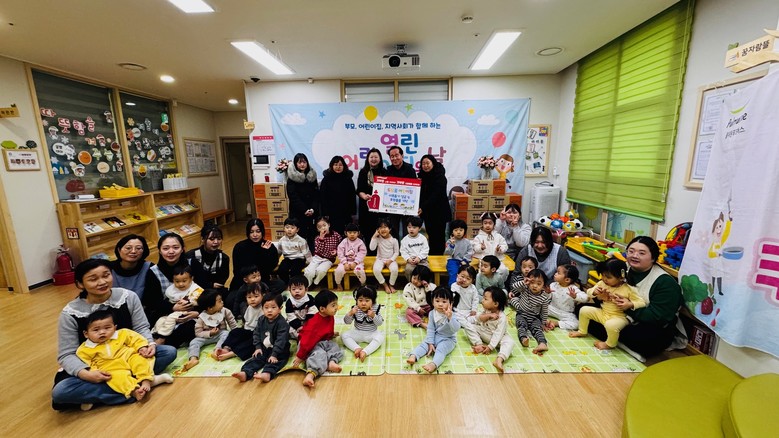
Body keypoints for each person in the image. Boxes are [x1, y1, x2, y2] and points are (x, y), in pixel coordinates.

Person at [52, 259, 177, 411]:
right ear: (80, 284)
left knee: (168, 352)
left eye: (106, 275)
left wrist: (147, 344)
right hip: (98, 365)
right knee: (60, 392)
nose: (102, 282)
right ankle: (143, 383)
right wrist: (86, 374)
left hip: (129, 356)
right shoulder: (70, 313)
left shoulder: (128, 297)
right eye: (93, 279)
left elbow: (141, 327)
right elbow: (67, 354)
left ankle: (105, 393)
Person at [582, 236, 685, 359]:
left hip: (649, 325)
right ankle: (617, 341)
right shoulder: (621, 268)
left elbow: (659, 318)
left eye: (641, 253)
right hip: (615, 315)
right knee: (581, 309)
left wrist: (629, 306)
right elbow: (602, 291)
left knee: (643, 339)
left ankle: (616, 340)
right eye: (631, 251)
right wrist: (600, 297)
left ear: (653, 257)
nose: (634, 256)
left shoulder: (665, 283)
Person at [76, 310, 172, 402]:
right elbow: (88, 363)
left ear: (114, 328)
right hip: (111, 369)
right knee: (117, 379)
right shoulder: (84, 349)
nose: (102, 332)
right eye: (96, 330)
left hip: (129, 357)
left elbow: (136, 339)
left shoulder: (123, 333)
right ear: (86, 334)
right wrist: (95, 371)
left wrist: (141, 347)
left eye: (107, 328)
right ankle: (134, 391)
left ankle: (146, 380)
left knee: (141, 360)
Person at [571, 259, 646, 350]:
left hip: (619, 317)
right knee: (584, 310)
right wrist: (594, 292)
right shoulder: (602, 283)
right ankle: (582, 331)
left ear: (621, 277)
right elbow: (589, 293)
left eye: (608, 277)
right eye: (603, 275)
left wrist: (630, 304)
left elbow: (642, 303)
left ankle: (610, 344)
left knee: (610, 325)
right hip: (603, 313)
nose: (604, 279)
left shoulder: (629, 289)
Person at [145, 233, 197, 348]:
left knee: (192, 327)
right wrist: (173, 307)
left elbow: (205, 290)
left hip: (192, 310)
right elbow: (151, 300)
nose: (171, 251)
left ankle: (162, 342)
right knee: (153, 323)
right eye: (166, 248)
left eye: (176, 247)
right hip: (166, 312)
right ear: (159, 250)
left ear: (183, 249)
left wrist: (196, 312)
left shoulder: (192, 264)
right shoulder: (153, 271)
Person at [232, 293, 291, 383]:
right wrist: (258, 347)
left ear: (280, 309)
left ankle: (267, 374)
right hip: (264, 348)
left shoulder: (282, 323)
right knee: (256, 359)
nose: (269, 310)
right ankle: (245, 373)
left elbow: (281, 340)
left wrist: (274, 354)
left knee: (275, 362)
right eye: (266, 308)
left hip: (280, 350)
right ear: (262, 308)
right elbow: (256, 333)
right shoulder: (261, 320)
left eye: (273, 307)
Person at [292, 290, 343, 388]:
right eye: (333, 305)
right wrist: (300, 356)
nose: (336, 307)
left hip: (321, 341)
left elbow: (327, 328)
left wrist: (331, 334)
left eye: (336, 304)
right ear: (322, 309)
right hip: (307, 345)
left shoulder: (329, 316)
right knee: (320, 354)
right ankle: (310, 375)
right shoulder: (314, 324)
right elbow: (306, 341)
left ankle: (331, 363)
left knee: (335, 346)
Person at [180, 289, 238, 372]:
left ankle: (217, 350)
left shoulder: (225, 311)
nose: (222, 302)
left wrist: (236, 334)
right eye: (219, 301)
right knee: (194, 342)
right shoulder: (202, 317)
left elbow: (233, 324)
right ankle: (193, 358)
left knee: (226, 333)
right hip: (206, 337)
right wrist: (210, 333)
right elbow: (198, 332)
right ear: (210, 308)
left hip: (220, 333)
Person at [406, 286, 460, 373]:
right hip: (435, 336)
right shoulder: (432, 313)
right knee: (424, 344)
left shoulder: (452, 315)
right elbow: (431, 329)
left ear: (451, 303)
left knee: (441, 350)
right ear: (432, 301)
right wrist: (430, 342)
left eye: (444, 302)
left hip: (448, 339)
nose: (440, 304)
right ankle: (414, 356)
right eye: (437, 301)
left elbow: (456, 328)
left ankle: (434, 364)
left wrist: (450, 318)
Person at [463, 286, 514, 372]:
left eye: (485, 299)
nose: (482, 301)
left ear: (496, 304)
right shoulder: (486, 310)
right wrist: (488, 315)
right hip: (484, 332)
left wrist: (490, 347)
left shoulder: (502, 318)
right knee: (468, 326)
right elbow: (478, 318)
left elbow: (498, 334)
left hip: (498, 339)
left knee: (510, 342)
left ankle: (499, 359)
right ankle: (479, 344)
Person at [231, 218, 285, 295]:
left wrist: (265, 253)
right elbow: (237, 270)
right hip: (245, 282)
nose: (255, 235)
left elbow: (271, 267)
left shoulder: (269, 246)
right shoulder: (239, 247)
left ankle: (259, 295)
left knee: (280, 284)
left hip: (262, 281)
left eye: (258, 231)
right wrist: (249, 279)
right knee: (230, 298)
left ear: (262, 232)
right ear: (248, 233)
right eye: (251, 232)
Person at [213, 283, 264, 361]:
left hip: (258, 333)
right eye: (249, 297)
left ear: (263, 296)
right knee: (235, 332)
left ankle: (233, 353)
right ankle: (226, 348)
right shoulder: (249, 307)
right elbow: (246, 321)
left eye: (256, 296)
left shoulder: (264, 307)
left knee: (253, 343)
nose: (252, 299)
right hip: (248, 330)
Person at [111, 235, 158, 318]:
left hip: (141, 313)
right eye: (128, 248)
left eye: (138, 248)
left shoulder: (149, 268)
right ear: (119, 250)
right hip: (111, 314)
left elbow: (152, 300)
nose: (133, 251)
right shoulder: (108, 268)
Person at [152, 264, 203, 338]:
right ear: (173, 280)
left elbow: (196, 301)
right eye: (177, 281)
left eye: (184, 281)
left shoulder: (195, 289)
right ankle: (154, 333)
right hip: (173, 311)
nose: (181, 284)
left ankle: (162, 335)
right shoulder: (172, 289)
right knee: (161, 319)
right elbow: (168, 301)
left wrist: (188, 302)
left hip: (188, 312)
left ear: (191, 279)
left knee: (171, 318)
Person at [509, 269, 551, 354]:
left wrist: (543, 323)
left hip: (534, 317)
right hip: (522, 314)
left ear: (543, 286)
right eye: (532, 282)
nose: (535, 286)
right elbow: (514, 286)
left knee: (537, 329)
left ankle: (542, 343)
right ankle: (524, 339)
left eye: (539, 284)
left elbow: (544, 311)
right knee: (521, 326)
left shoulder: (544, 298)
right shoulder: (525, 288)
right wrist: (524, 282)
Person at [417, 154, 452, 255]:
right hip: (428, 213)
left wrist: (423, 207)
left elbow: (435, 195)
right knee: (431, 235)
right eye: (423, 164)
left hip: (439, 212)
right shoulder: (421, 177)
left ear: (433, 163)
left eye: (427, 163)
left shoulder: (440, 177)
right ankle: (432, 256)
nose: (425, 166)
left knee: (439, 236)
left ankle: (438, 257)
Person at [342, 286, 385, 362]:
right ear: (356, 300)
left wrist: (373, 316)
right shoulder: (355, 309)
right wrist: (350, 313)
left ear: (373, 302)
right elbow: (347, 322)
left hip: (372, 333)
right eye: (360, 300)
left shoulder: (375, 309)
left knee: (381, 337)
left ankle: (365, 351)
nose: (363, 303)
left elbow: (380, 323)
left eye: (367, 300)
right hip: (357, 332)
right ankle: (356, 348)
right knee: (344, 335)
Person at [285, 153, 320, 244]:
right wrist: (304, 210)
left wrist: (313, 209)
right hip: (298, 212)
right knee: (299, 237)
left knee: (312, 235)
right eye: (299, 162)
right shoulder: (291, 178)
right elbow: (293, 196)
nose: (302, 164)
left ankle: (312, 251)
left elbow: (316, 194)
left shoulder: (312, 176)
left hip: (312, 212)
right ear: (295, 164)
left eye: (304, 162)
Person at [356, 148, 385, 253]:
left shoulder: (384, 172)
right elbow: (359, 190)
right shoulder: (363, 172)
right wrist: (364, 196)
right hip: (366, 209)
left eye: (376, 157)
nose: (373, 159)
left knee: (381, 233)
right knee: (368, 234)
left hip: (381, 210)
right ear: (368, 159)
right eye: (371, 157)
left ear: (380, 159)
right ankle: (370, 256)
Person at [385, 146, 418, 238]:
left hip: (407, 206)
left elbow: (414, 190)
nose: (394, 158)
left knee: (407, 232)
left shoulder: (410, 170)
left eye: (397, 155)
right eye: (392, 156)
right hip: (392, 206)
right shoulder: (388, 170)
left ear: (402, 155)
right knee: (393, 232)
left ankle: (405, 247)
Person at [185, 225, 230, 292]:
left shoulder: (224, 258)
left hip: (214, 291)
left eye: (219, 238)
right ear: (202, 239)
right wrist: (210, 285)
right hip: (192, 290)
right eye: (211, 239)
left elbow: (220, 282)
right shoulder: (190, 256)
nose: (216, 242)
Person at [319, 155, 356, 236]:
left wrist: (353, 212)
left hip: (346, 212)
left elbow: (352, 196)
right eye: (335, 165)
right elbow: (323, 197)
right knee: (333, 234)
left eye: (340, 165)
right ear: (331, 166)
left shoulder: (348, 179)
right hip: (331, 213)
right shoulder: (326, 179)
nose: (338, 167)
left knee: (345, 233)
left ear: (344, 166)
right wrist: (325, 213)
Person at [304, 216, 342, 289]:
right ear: (317, 229)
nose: (323, 228)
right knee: (309, 271)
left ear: (329, 225)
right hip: (317, 257)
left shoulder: (336, 235)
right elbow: (318, 250)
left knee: (321, 270)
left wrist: (336, 251)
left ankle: (315, 282)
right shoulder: (317, 238)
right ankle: (308, 285)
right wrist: (321, 238)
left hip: (329, 259)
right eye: (320, 227)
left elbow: (341, 246)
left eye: (324, 225)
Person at [547, 264, 587, 331]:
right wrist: (547, 293)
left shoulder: (573, 289)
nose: (555, 274)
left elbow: (586, 298)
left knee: (576, 324)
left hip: (565, 313)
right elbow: (547, 298)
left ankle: (556, 323)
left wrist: (575, 296)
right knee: (536, 307)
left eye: (558, 273)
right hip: (551, 309)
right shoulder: (553, 285)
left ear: (567, 280)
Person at [275, 217, 311, 284]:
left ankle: (295, 284)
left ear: (297, 230)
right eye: (287, 227)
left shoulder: (301, 240)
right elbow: (279, 252)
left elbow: (307, 253)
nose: (289, 230)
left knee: (294, 271)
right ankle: (287, 284)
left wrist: (310, 263)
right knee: (282, 270)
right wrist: (275, 262)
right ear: (284, 228)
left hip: (299, 259)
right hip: (287, 259)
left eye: (292, 228)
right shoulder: (282, 240)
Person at [334, 223, 367, 290]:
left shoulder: (360, 242)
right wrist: (345, 263)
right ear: (345, 233)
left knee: (360, 271)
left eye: (354, 232)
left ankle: (363, 283)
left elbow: (362, 253)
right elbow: (340, 253)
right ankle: (338, 284)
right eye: (350, 232)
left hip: (357, 262)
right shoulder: (344, 242)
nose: (352, 234)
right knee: (338, 271)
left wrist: (355, 262)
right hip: (345, 262)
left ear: (358, 233)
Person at [370, 217, 400, 294]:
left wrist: (391, 260)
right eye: (380, 227)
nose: (383, 229)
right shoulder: (377, 238)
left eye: (385, 227)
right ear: (378, 230)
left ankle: (391, 285)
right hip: (380, 259)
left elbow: (396, 253)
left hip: (391, 259)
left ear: (390, 229)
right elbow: (372, 248)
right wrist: (374, 236)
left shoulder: (394, 240)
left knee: (394, 270)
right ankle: (385, 285)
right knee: (376, 270)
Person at [285, 276, 317, 340]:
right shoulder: (289, 302)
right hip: (295, 322)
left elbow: (312, 312)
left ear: (306, 289)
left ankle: (309, 335)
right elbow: (291, 317)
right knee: (287, 329)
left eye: (300, 289)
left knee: (318, 325)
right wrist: (298, 326)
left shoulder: (310, 299)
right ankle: (302, 336)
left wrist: (307, 325)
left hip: (307, 321)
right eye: (293, 289)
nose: (297, 291)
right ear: (289, 289)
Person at [444, 219, 474, 287]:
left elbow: (470, 252)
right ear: (452, 231)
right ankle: (453, 287)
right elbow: (447, 253)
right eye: (456, 230)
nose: (458, 232)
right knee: (454, 273)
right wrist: (452, 245)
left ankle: (464, 287)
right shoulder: (449, 241)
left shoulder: (467, 242)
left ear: (464, 231)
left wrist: (465, 260)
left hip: (464, 261)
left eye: (461, 230)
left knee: (466, 273)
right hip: (453, 260)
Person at [400, 216, 430, 281]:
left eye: (414, 227)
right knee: (408, 270)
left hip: (422, 260)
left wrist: (419, 257)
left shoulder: (423, 238)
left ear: (419, 228)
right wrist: (408, 259)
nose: (411, 229)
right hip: (410, 261)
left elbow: (425, 250)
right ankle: (412, 283)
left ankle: (424, 283)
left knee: (425, 270)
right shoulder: (404, 240)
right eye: (409, 227)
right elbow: (403, 251)